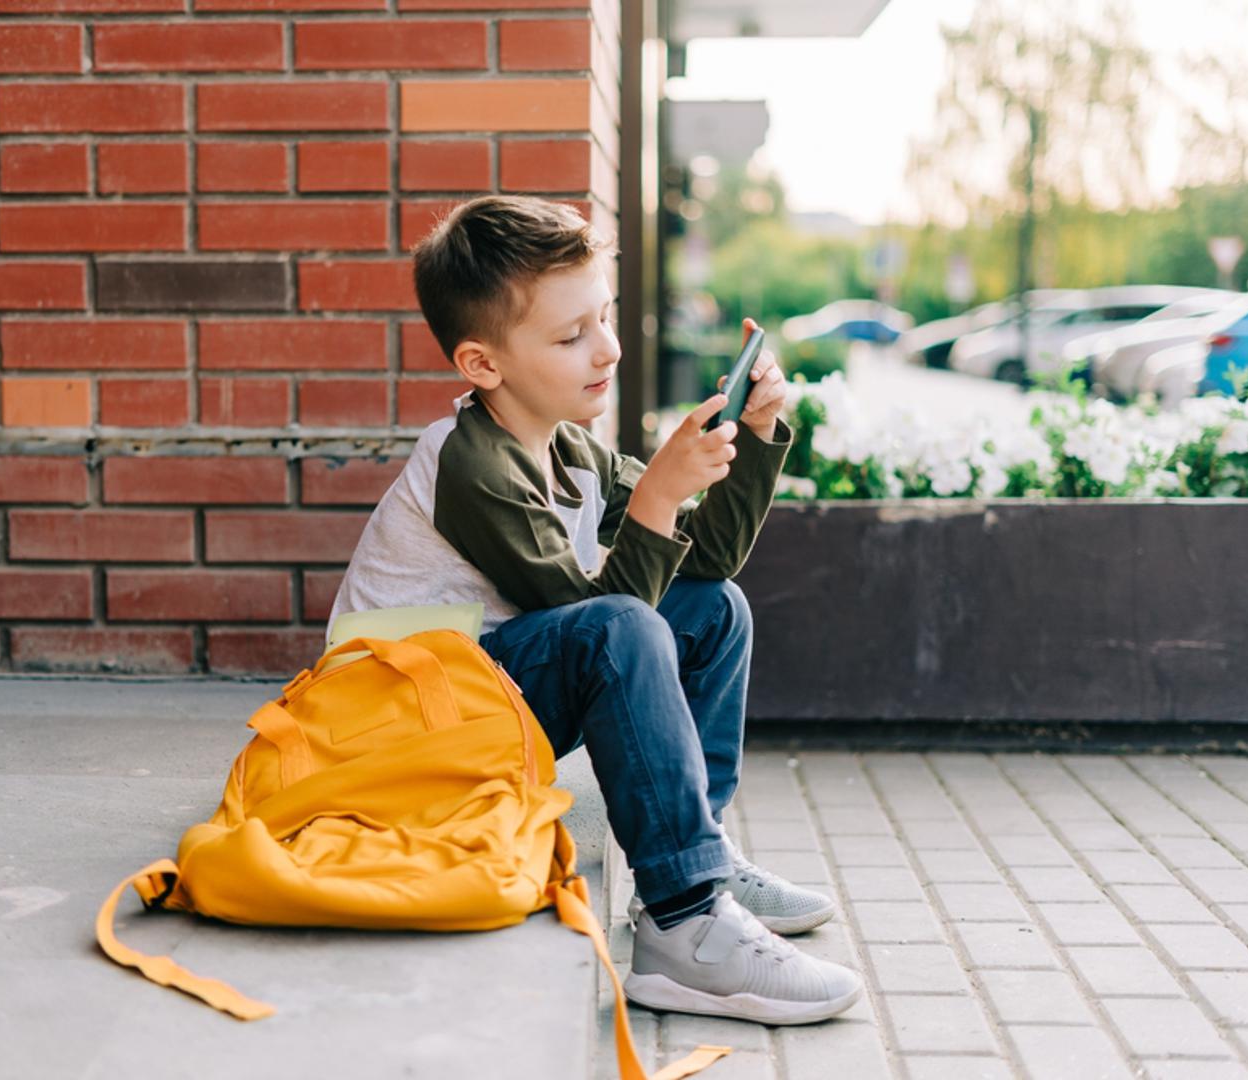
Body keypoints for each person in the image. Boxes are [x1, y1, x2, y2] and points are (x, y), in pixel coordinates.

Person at [328, 194, 862, 1024]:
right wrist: (654, 494)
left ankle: (701, 852)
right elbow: (600, 622)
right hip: (399, 718)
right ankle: (683, 924)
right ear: (482, 365)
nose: (607, 348)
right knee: (622, 627)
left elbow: (703, 563)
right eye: (570, 335)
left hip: (482, 685)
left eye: (604, 318)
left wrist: (752, 442)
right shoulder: (472, 465)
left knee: (714, 607)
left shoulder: (570, 446)